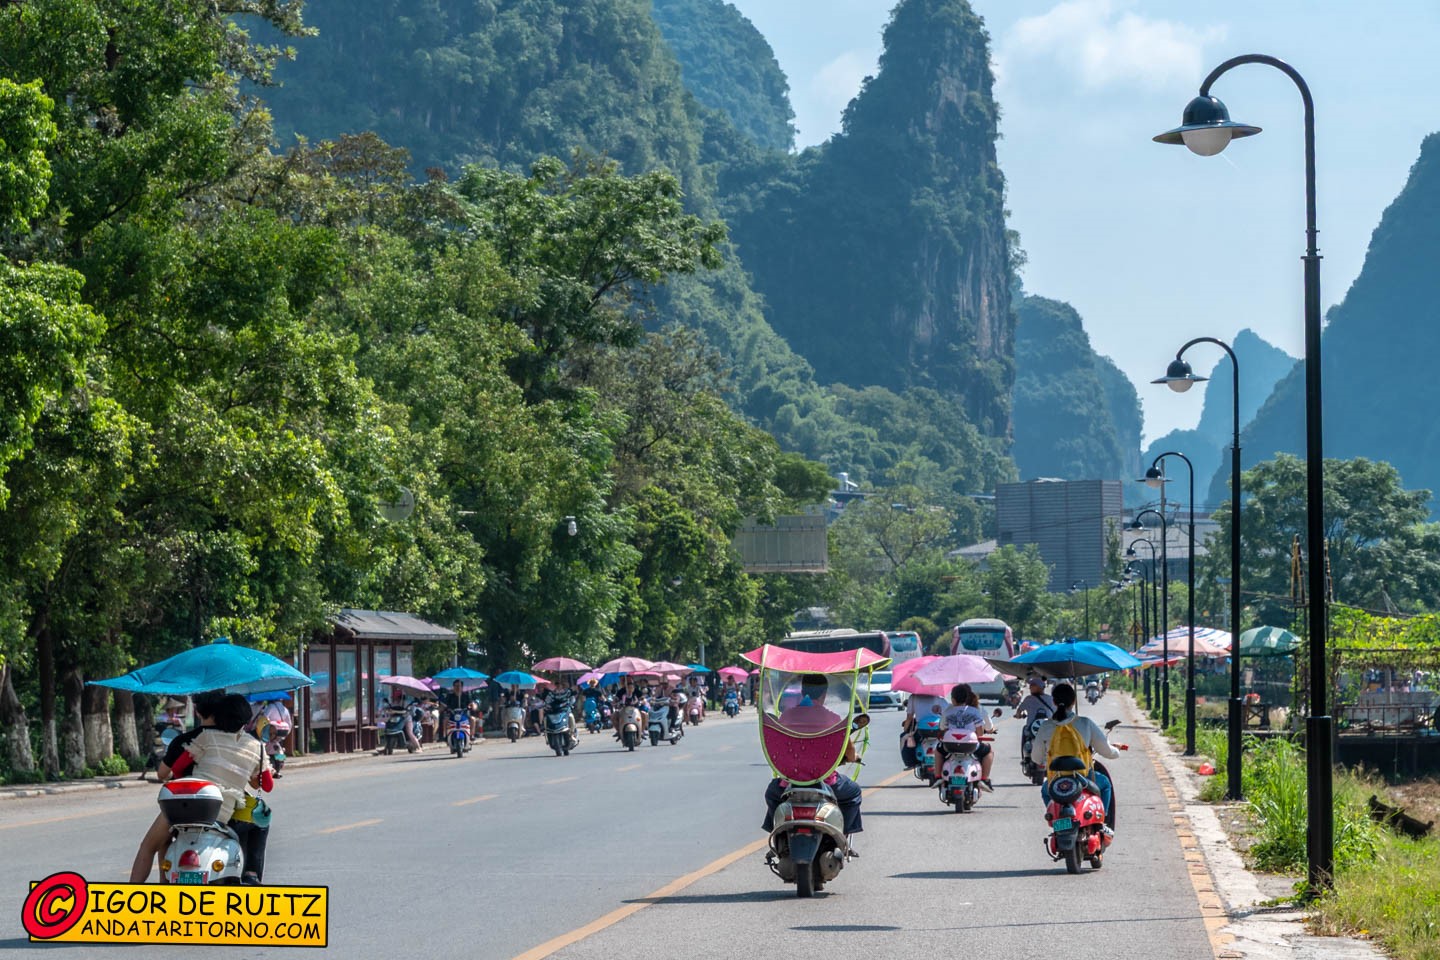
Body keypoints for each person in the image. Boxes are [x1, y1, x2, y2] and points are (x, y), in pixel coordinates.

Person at [130, 690, 266, 883]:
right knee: (259, 821)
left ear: (197, 710)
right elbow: (257, 780)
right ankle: (251, 874)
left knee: (150, 846)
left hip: (182, 806)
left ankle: (134, 892)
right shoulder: (236, 740)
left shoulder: (189, 739)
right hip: (223, 811)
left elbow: (164, 773)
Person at [762, 674, 864, 851]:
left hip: (790, 781)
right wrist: (853, 757)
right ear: (824, 694)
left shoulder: (786, 716)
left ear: (802, 692)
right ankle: (842, 839)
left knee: (772, 793)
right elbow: (849, 752)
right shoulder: (833, 719)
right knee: (854, 793)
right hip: (826, 781)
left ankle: (777, 838)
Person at [1029, 682, 1126, 823]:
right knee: (1105, 784)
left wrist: (1047, 757)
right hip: (1085, 777)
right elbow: (1107, 751)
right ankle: (1101, 822)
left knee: (1045, 791)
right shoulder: (1085, 723)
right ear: (1074, 701)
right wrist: (1117, 751)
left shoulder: (1046, 726)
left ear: (1054, 702)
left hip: (1055, 779)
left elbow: (1036, 758)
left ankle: (1057, 821)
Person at [942, 684, 998, 791]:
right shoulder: (975, 710)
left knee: (939, 751)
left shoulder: (948, 711)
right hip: (970, 746)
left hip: (950, 746)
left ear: (953, 699)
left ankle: (938, 777)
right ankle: (984, 779)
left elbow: (943, 729)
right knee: (989, 751)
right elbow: (980, 733)